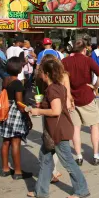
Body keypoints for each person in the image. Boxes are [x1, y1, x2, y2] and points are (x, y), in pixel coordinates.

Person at [26, 58, 90, 198]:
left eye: (41, 72)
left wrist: (38, 111)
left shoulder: (52, 89)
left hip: (58, 131)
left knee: (67, 161)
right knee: (45, 157)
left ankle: (81, 189)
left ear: (47, 74)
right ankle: (41, 190)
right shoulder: (57, 87)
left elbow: (56, 111)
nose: (40, 74)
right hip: (55, 130)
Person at [62, 40, 99, 165]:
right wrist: (95, 86)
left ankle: (78, 157)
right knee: (94, 125)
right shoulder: (87, 60)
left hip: (71, 98)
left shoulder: (65, 62)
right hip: (86, 96)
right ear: (83, 50)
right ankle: (96, 155)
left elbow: (61, 79)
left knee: (75, 128)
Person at [35, 54, 75, 184]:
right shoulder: (63, 76)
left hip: (46, 112)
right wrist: (69, 105)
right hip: (59, 114)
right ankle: (53, 171)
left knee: (49, 142)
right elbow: (68, 95)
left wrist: (39, 107)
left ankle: (51, 172)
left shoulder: (40, 77)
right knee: (57, 145)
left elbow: (38, 95)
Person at [0, 57, 33, 180]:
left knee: (5, 141)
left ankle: (5, 168)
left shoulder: (6, 80)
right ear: (19, 69)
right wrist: (28, 116)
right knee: (16, 142)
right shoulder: (18, 83)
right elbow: (19, 103)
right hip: (15, 113)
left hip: (5, 111)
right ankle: (18, 171)